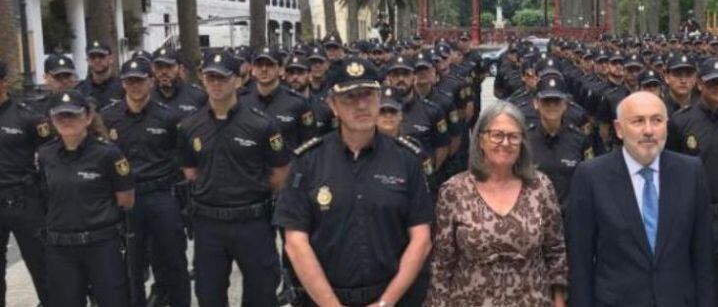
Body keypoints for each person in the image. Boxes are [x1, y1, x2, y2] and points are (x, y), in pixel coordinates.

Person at [275, 57, 433, 307]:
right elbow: (295, 241)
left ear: (379, 99)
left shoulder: (407, 159)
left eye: (368, 95)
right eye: (350, 97)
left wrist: (385, 302)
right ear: (333, 105)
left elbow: (421, 238)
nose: (361, 105)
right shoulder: (308, 161)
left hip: (393, 297)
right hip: (324, 298)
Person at [567, 92, 714, 307]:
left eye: (656, 120)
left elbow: (703, 256)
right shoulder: (591, 176)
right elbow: (580, 261)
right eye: (637, 121)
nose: (648, 130)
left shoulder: (691, 172)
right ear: (618, 129)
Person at [177, 51, 290, 306]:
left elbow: (280, 173)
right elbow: (191, 172)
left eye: (222, 78)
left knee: (261, 294)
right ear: (202, 80)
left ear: (238, 81)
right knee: (209, 294)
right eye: (210, 77)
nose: (216, 84)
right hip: (208, 225)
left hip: (252, 223)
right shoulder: (189, 127)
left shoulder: (262, 125)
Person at [427, 101, 567, 306]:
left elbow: (556, 253)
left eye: (513, 136)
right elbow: (442, 263)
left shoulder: (541, 186)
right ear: (480, 140)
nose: (505, 143)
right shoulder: (454, 190)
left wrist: (560, 301)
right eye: (497, 135)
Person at [99, 59, 191, 307]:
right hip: (126, 200)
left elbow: (181, 156)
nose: (135, 86)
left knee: (173, 259)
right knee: (132, 264)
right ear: (123, 84)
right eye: (130, 81)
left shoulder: (169, 117)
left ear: (150, 81)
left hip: (161, 196)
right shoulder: (108, 118)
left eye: (140, 80)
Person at [39, 89, 135, 307]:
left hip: (101, 246)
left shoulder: (108, 154)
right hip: (60, 249)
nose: (66, 120)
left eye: (72, 114)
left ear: (88, 117)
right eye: (60, 115)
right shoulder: (45, 155)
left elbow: (126, 200)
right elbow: (44, 196)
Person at [0, 61, 50, 305]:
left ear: (4, 82)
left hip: (24, 200)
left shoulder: (27, 116)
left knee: (42, 266)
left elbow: (52, 156)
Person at [526, 77, 592, 211]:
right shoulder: (525, 139)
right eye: (546, 101)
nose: (552, 105)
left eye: (557, 101)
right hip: (535, 216)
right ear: (536, 103)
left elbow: (589, 179)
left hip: (571, 216)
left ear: (565, 104)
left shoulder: (579, 139)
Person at [76, 40, 124, 108]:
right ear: (87, 60)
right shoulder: (80, 91)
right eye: (92, 57)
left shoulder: (123, 88)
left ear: (111, 59)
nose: (97, 60)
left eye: (101, 56)